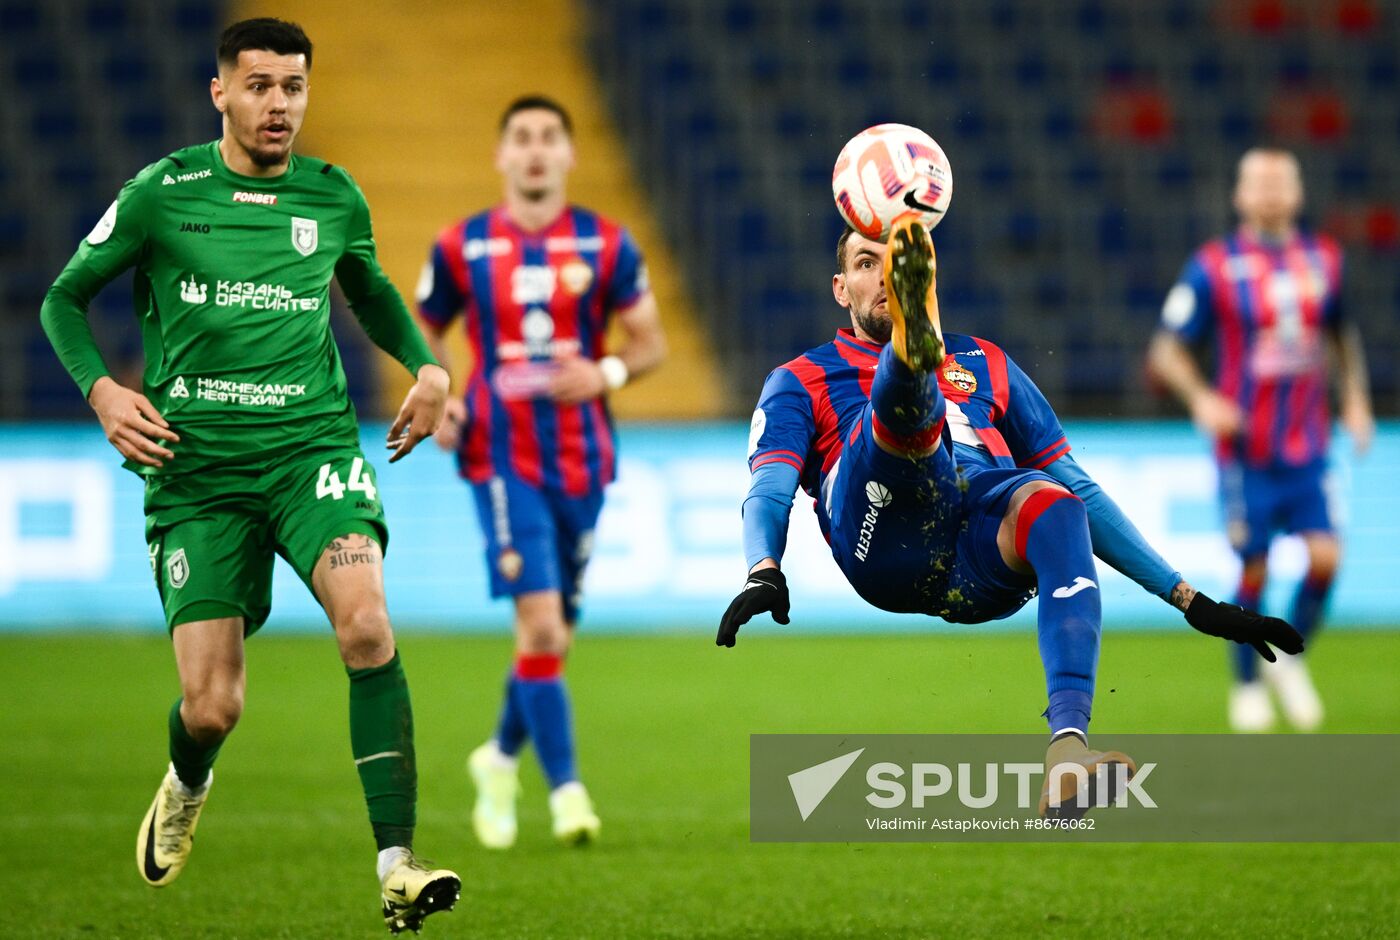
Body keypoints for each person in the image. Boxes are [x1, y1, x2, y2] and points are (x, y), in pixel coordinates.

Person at [39, 18, 459, 934]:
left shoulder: (333, 195)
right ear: (220, 92)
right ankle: (187, 782)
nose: (279, 105)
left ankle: (396, 864)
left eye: (294, 87)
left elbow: (370, 290)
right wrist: (104, 391)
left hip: (312, 454)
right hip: (198, 474)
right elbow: (63, 299)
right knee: (213, 705)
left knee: (367, 627)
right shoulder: (162, 193)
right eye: (260, 86)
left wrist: (427, 367)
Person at [720, 216, 1303, 816]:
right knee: (898, 427)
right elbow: (770, 487)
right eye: (869, 263)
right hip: (882, 527)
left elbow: (1080, 487)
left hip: (978, 550)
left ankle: (1067, 752)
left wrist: (1189, 599)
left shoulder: (987, 361)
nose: (884, 277)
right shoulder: (800, 379)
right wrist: (763, 569)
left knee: (1057, 504)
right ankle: (910, 360)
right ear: (841, 289)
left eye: (899, 265)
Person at [416, 95, 666, 848]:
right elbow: (422, 328)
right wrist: (441, 393)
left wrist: (607, 371)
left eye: (548, 137)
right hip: (499, 456)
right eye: (521, 137)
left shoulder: (607, 244)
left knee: (550, 641)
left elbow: (650, 343)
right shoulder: (461, 246)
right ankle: (567, 794)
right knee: (545, 625)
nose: (534, 150)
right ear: (501, 155)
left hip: (584, 458)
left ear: (568, 155)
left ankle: (497, 759)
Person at [1148, 147, 1373, 732]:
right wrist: (1202, 399)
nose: (1271, 191)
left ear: (1298, 192)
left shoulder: (1325, 259)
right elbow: (1167, 350)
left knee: (1326, 558)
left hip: (1308, 446)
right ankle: (1247, 683)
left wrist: (1355, 399)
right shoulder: (1214, 266)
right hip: (1246, 452)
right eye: (1260, 182)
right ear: (1240, 194)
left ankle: (1290, 659)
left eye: (1281, 181)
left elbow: (1341, 335)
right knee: (1255, 568)